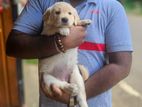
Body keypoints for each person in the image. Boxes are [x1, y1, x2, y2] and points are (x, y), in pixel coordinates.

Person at [6, 0, 133, 107]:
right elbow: (13, 45)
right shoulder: (42, 2)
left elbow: (122, 65)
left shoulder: (112, 7)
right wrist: (58, 42)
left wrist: (76, 96)